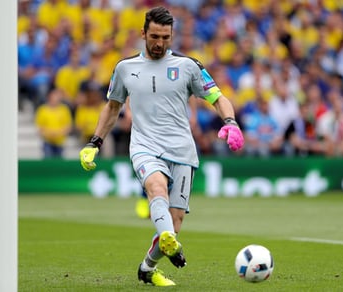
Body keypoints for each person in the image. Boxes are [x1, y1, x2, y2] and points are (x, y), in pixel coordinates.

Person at [79, 6, 244, 287]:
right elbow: (112, 107)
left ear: (172, 35)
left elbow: (218, 97)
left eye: (165, 37)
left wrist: (230, 121)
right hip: (145, 145)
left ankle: (147, 267)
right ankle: (171, 244)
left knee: (174, 223)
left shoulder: (189, 66)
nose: (159, 43)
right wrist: (95, 141)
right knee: (155, 188)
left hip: (182, 150)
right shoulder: (125, 68)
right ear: (143, 33)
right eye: (154, 36)